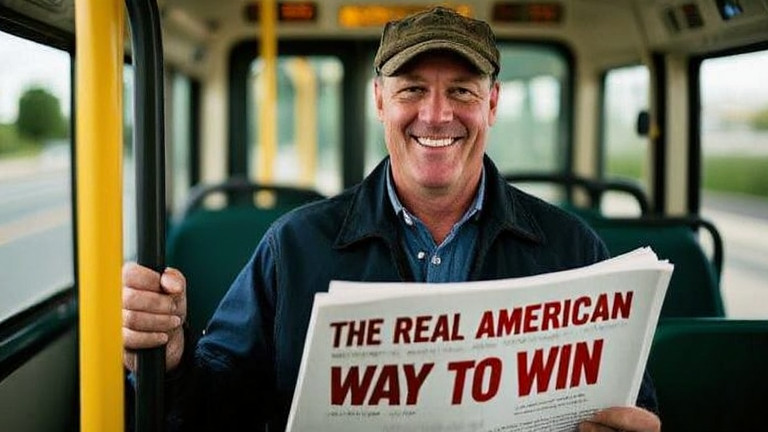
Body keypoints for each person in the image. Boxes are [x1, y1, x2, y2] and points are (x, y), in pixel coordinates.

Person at [123, 7, 661, 432]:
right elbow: (215, 407)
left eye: (461, 90)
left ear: (492, 104)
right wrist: (172, 359)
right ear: (380, 100)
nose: (436, 114)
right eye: (412, 89)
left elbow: (631, 401)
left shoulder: (572, 249)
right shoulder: (294, 247)